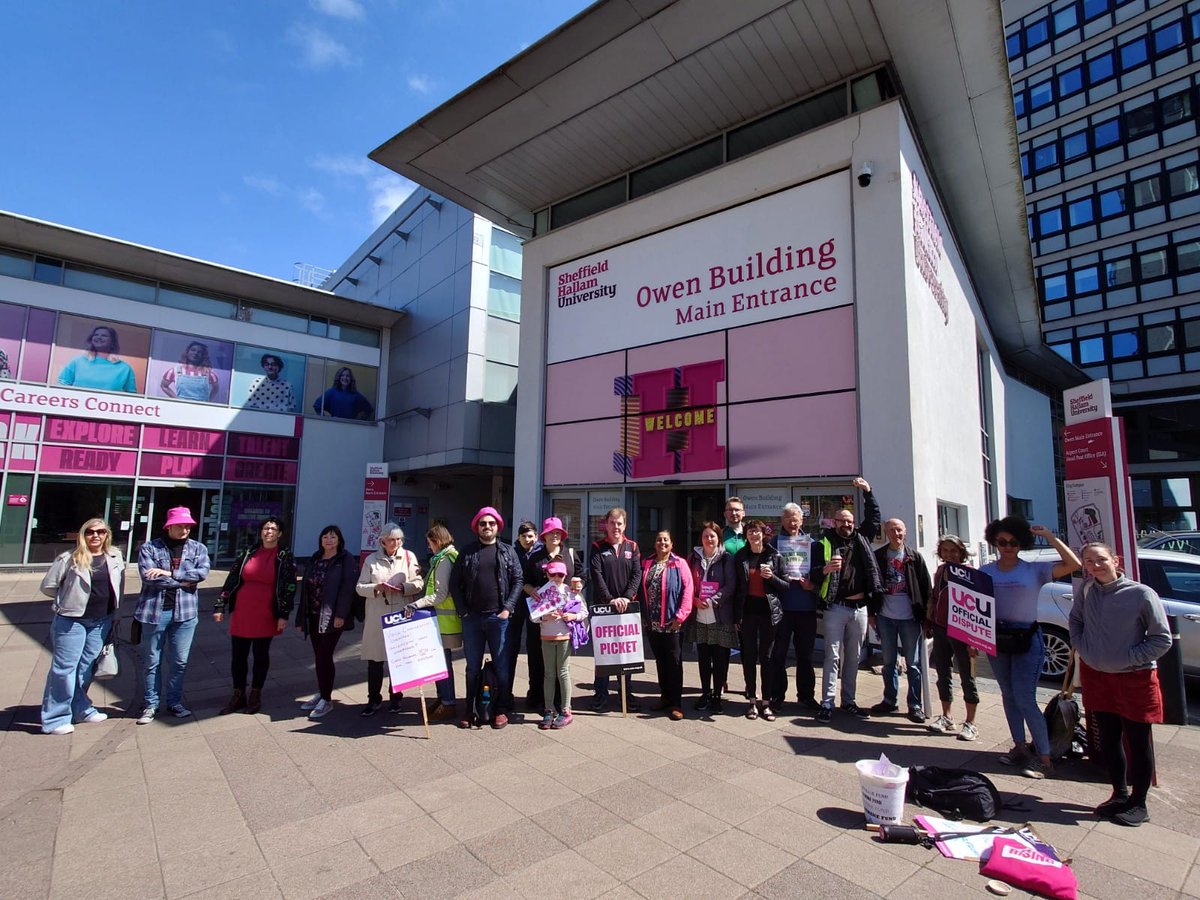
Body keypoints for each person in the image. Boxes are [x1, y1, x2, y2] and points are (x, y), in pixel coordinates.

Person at [1070, 541, 1171, 826]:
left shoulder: (1141, 594)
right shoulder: (1087, 591)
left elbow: (1161, 639)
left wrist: (1129, 657)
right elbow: (1076, 622)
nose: (1095, 566)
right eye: (1088, 561)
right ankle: (1119, 794)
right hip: (1098, 676)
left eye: (1100, 559)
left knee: (1138, 742)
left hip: (1134, 679)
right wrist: (1084, 649)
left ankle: (1139, 803)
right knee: (1109, 739)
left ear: (1115, 560)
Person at [981, 515, 1080, 779]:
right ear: (994, 541)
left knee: (1025, 697)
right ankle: (1020, 747)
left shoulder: (1034, 570)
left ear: (1021, 543)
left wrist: (1049, 537)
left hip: (1027, 639)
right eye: (1002, 541)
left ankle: (1045, 758)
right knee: (1008, 694)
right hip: (997, 639)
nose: (1007, 546)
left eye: (1013, 541)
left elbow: (1074, 564)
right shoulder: (985, 572)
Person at [39, 518, 124, 735]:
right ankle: (55, 718)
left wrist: (116, 614)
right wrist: (66, 602)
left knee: (85, 668)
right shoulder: (68, 558)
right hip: (72, 620)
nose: (95, 536)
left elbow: (119, 586)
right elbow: (49, 586)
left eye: (101, 532)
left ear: (107, 535)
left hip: (101, 620)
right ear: (83, 535)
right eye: (90, 532)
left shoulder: (114, 556)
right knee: (64, 669)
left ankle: (80, 708)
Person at [811, 477, 881, 723]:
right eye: (843, 521)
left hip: (860, 608)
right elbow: (812, 574)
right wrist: (826, 570)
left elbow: (874, 518)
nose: (848, 525)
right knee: (832, 657)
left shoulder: (861, 539)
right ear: (835, 522)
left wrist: (868, 492)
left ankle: (848, 701)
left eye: (851, 521)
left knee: (854, 657)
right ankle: (827, 703)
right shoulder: (823, 543)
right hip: (835, 608)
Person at [134, 507, 211, 724]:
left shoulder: (198, 548)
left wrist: (169, 573)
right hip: (154, 612)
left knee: (180, 661)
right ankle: (151, 704)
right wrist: (185, 580)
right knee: (152, 660)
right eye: (181, 525)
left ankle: (174, 701)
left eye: (188, 525)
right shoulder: (150, 548)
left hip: (185, 613)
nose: (185, 529)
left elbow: (202, 573)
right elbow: (149, 578)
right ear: (169, 526)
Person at [450, 506, 523, 729]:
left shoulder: (508, 551)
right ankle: (470, 710)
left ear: (498, 526)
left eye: (491, 523)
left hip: (498, 618)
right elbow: (455, 583)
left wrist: (508, 608)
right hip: (472, 618)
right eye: (483, 524)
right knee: (472, 667)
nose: (487, 527)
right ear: (477, 527)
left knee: (501, 666)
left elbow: (518, 580)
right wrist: (463, 610)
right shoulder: (467, 552)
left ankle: (500, 709)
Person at [214, 518, 297, 715]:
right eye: (266, 528)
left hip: (266, 611)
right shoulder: (248, 552)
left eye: (273, 528)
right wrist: (220, 605)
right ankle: (238, 693)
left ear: (280, 534)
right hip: (243, 610)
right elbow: (233, 578)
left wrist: (283, 614)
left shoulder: (284, 556)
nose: (269, 531)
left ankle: (256, 693)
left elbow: (289, 587)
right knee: (238, 656)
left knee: (261, 655)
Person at [356, 523, 424, 716]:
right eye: (392, 539)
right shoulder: (371, 560)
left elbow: (419, 582)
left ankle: (396, 697)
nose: (396, 543)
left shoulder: (409, 557)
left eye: (399, 539)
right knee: (375, 659)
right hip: (377, 614)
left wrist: (403, 588)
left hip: (401, 613)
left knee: (398, 659)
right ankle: (373, 698)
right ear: (382, 541)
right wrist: (376, 588)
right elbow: (360, 587)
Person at [520, 517, 585, 713]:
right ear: (545, 535)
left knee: (561, 661)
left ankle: (559, 699)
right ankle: (538, 697)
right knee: (537, 656)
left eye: (558, 532)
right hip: (540, 618)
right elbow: (523, 580)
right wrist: (531, 589)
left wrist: (578, 582)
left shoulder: (570, 554)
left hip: (563, 618)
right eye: (551, 532)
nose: (555, 535)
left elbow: (582, 576)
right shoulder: (535, 556)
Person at [870, 518, 932, 722]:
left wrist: (926, 618)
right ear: (886, 533)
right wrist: (872, 614)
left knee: (913, 664)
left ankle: (915, 705)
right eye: (892, 530)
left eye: (899, 530)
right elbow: (872, 587)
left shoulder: (915, 557)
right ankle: (890, 701)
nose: (896, 534)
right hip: (886, 617)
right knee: (888, 662)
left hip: (910, 619)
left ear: (905, 532)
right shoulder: (878, 556)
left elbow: (926, 589)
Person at [295, 525, 357, 720]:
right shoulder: (315, 558)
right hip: (313, 615)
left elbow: (348, 588)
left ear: (339, 540)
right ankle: (322, 693)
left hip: (332, 616)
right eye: (325, 537)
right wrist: (300, 618)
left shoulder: (344, 559)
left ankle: (326, 699)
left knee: (324, 655)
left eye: (333, 537)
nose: (329, 540)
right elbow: (305, 590)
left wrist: (341, 615)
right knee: (319, 656)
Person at [925, 535, 981, 741]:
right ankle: (947, 716)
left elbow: (977, 608)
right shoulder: (941, 571)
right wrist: (929, 622)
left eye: (953, 551)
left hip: (963, 632)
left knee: (967, 675)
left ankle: (971, 722)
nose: (949, 554)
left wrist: (974, 640)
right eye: (945, 551)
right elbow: (935, 597)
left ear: (961, 552)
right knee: (943, 673)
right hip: (941, 628)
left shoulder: (970, 573)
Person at [588, 507, 642, 712]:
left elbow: (637, 574)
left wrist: (627, 598)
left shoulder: (633, 546)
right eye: (612, 523)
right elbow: (597, 575)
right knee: (604, 652)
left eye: (619, 523)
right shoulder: (597, 546)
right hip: (604, 608)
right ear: (606, 525)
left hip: (626, 609)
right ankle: (601, 693)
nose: (616, 527)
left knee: (626, 652)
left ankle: (625, 693)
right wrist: (610, 600)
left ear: (625, 525)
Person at [768, 503, 820, 712]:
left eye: (795, 518)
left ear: (802, 521)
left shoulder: (812, 545)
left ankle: (806, 696)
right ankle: (777, 695)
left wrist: (812, 585)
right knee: (778, 654)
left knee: (805, 655)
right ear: (782, 521)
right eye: (788, 518)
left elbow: (820, 574)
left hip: (806, 608)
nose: (792, 522)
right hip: (781, 608)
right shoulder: (773, 543)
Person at [734, 520, 788, 721]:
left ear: (763, 534)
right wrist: (735, 616)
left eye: (756, 531)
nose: (754, 535)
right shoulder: (741, 557)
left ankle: (766, 702)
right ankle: (751, 701)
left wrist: (771, 577)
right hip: (747, 612)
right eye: (750, 532)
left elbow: (786, 585)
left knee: (766, 657)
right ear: (746, 535)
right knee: (749, 656)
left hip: (769, 613)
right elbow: (738, 589)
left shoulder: (774, 555)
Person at [407, 524, 461, 721]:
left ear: (437, 541)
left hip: (443, 619)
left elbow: (440, 594)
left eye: (430, 542)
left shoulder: (444, 560)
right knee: (439, 662)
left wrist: (416, 604)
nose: (429, 547)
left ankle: (448, 702)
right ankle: (443, 699)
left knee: (442, 664)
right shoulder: (443, 558)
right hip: (442, 618)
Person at [639, 530, 694, 720]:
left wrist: (681, 616)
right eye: (659, 540)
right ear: (655, 544)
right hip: (652, 623)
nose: (662, 543)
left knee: (674, 663)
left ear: (671, 544)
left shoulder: (679, 564)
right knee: (661, 662)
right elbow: (640, 589)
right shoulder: (647, 563)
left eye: (666, 540)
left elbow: (688, 590)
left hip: (673, 623)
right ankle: (664, 697)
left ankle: (676, 703)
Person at [685, 521, 738, 713]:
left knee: (721, 657)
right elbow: (687, 583)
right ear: (701, 538)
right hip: (699, 616)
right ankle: (705, 692)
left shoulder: (727, 559)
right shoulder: (693, 558)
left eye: (713, 536)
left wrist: (714, 600)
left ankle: (717, 694)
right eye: (706, 536)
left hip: (720, 615)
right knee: (704, 657)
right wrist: (694, 599)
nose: (709, 539)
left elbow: (731, 586)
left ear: (719, 539)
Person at [530, 560, 589, 729]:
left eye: (560, 575)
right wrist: (543, 617)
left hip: (564, 636)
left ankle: (566, 710)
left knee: (563, 672)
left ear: (565, 575)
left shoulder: (571, 592)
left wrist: (572, 617)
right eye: (552, 574)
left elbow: (584, 611)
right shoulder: (541, 592)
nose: (556, 578)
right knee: (548, 673)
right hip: (546, 636)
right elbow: (533, 616)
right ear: (547, 574)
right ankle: (549, 709)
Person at [57, 325, 137, 393]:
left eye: (104, 336)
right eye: (96, 335)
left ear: (112, 342)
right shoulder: (77, 361)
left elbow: (131, 395)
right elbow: (62, 385)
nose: (99, 337)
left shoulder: (124, 368)